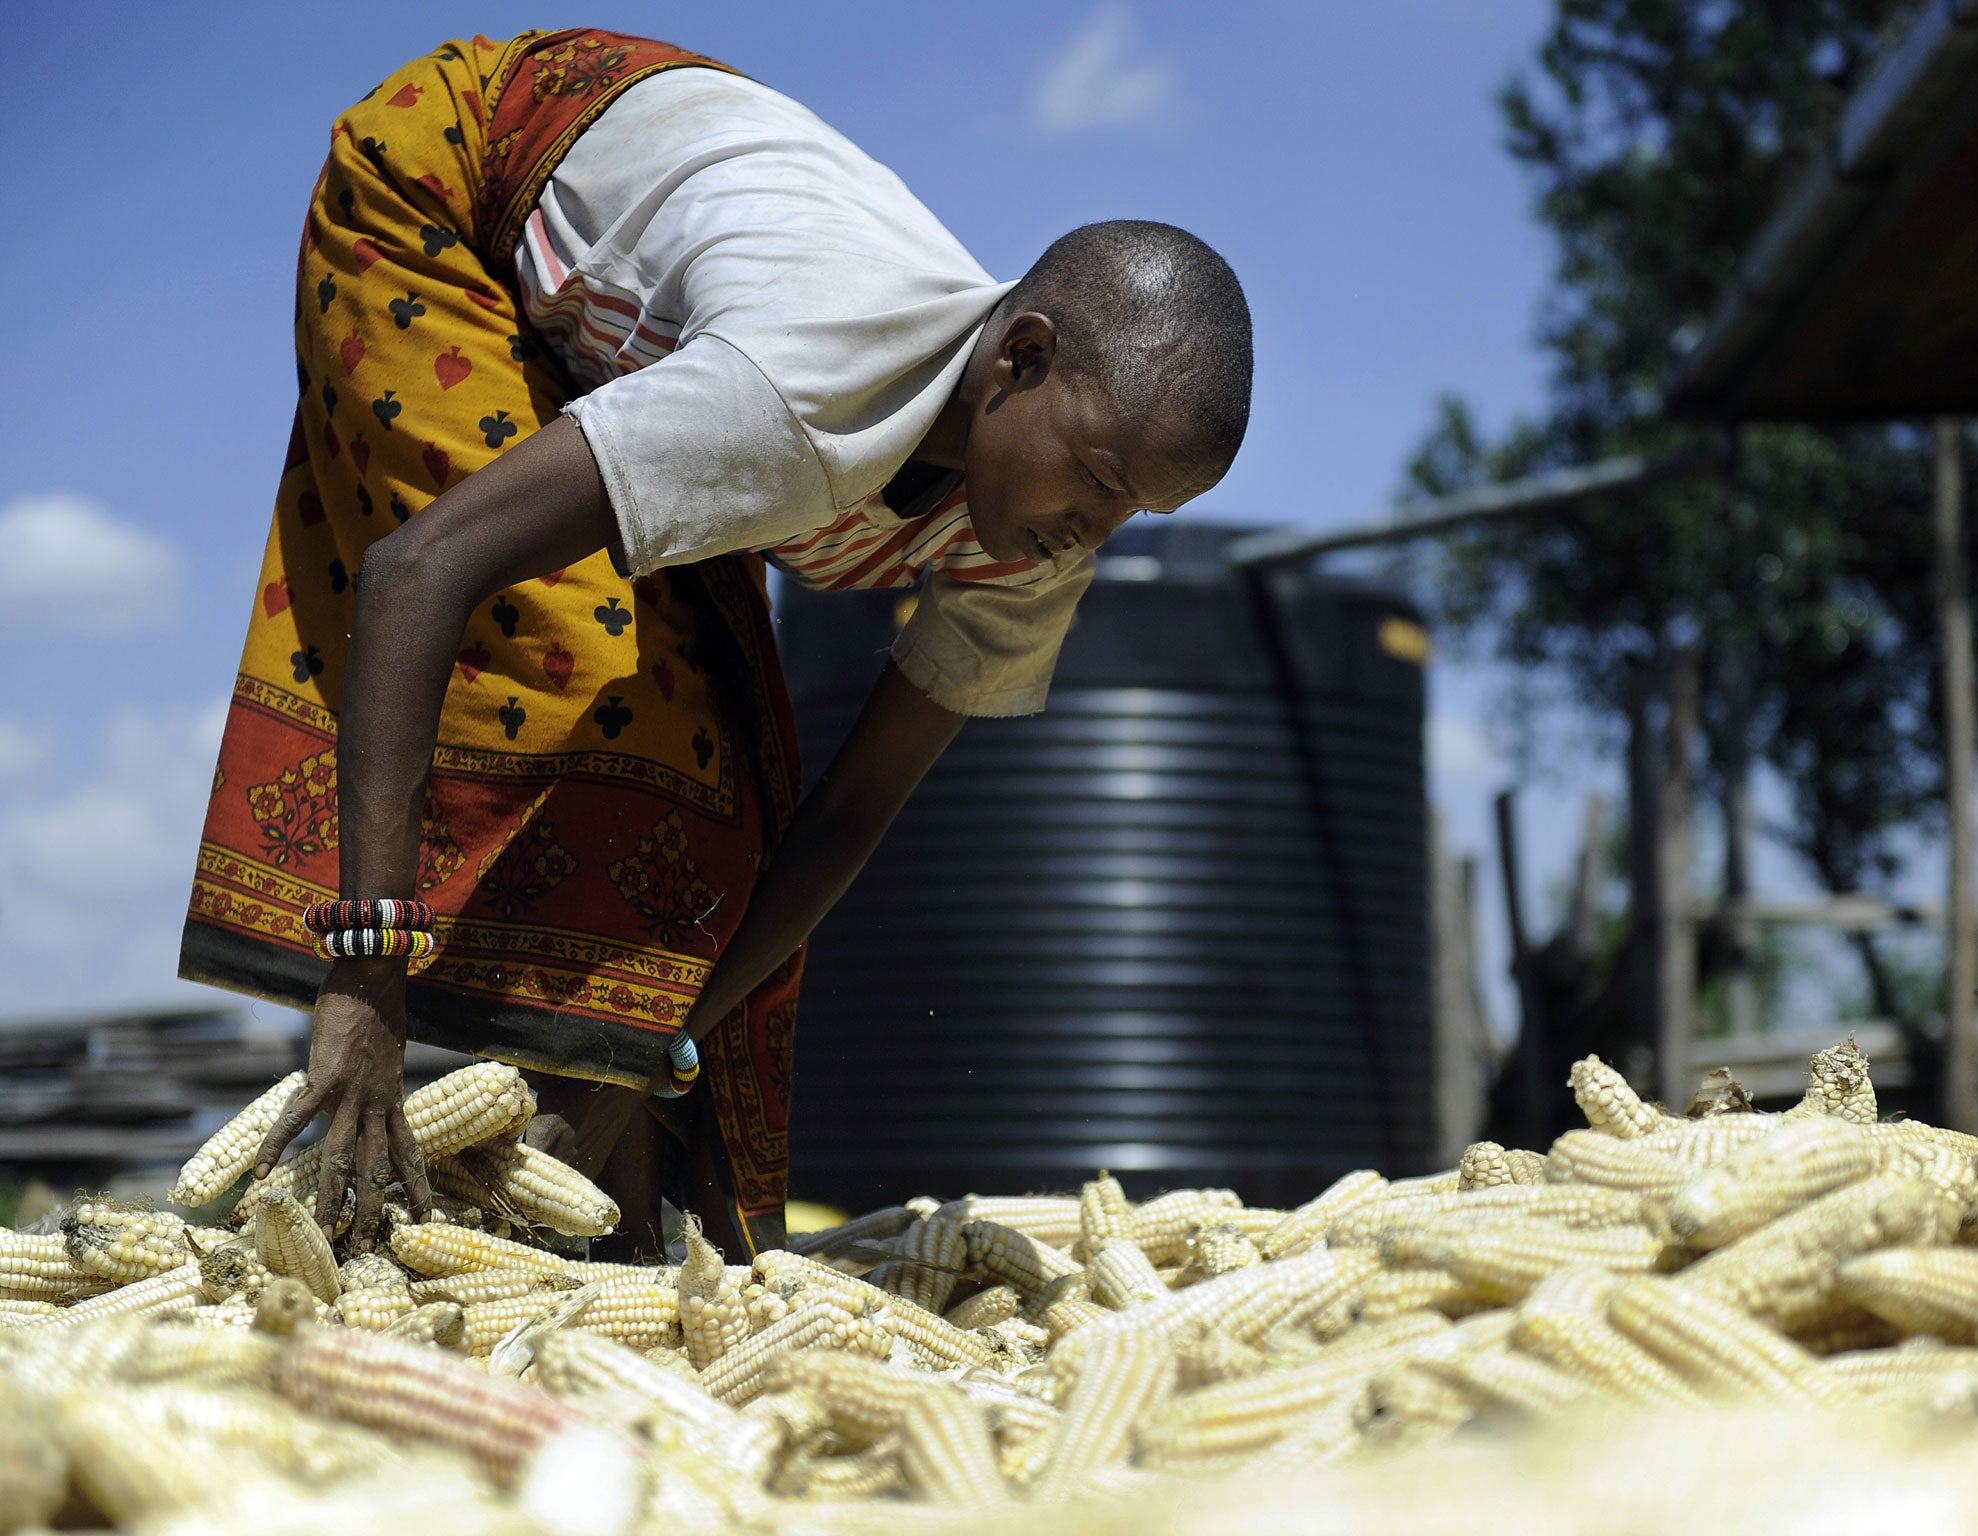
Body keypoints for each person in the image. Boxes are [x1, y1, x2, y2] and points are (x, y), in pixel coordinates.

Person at [180, 28, 1253, 1259]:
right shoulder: (798, 396)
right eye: (1102, 478)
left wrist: (656, 1048)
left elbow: (848, 814)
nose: (1097, 531)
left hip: (670, 241)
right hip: (455, 184)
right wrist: (364, 982)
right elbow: (420, 567)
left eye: (1139, 511)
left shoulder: (1030, 540)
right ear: (1020, 357)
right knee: (572, 661)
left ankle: (579, 1214)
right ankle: (442, 1176)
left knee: (725, 784)